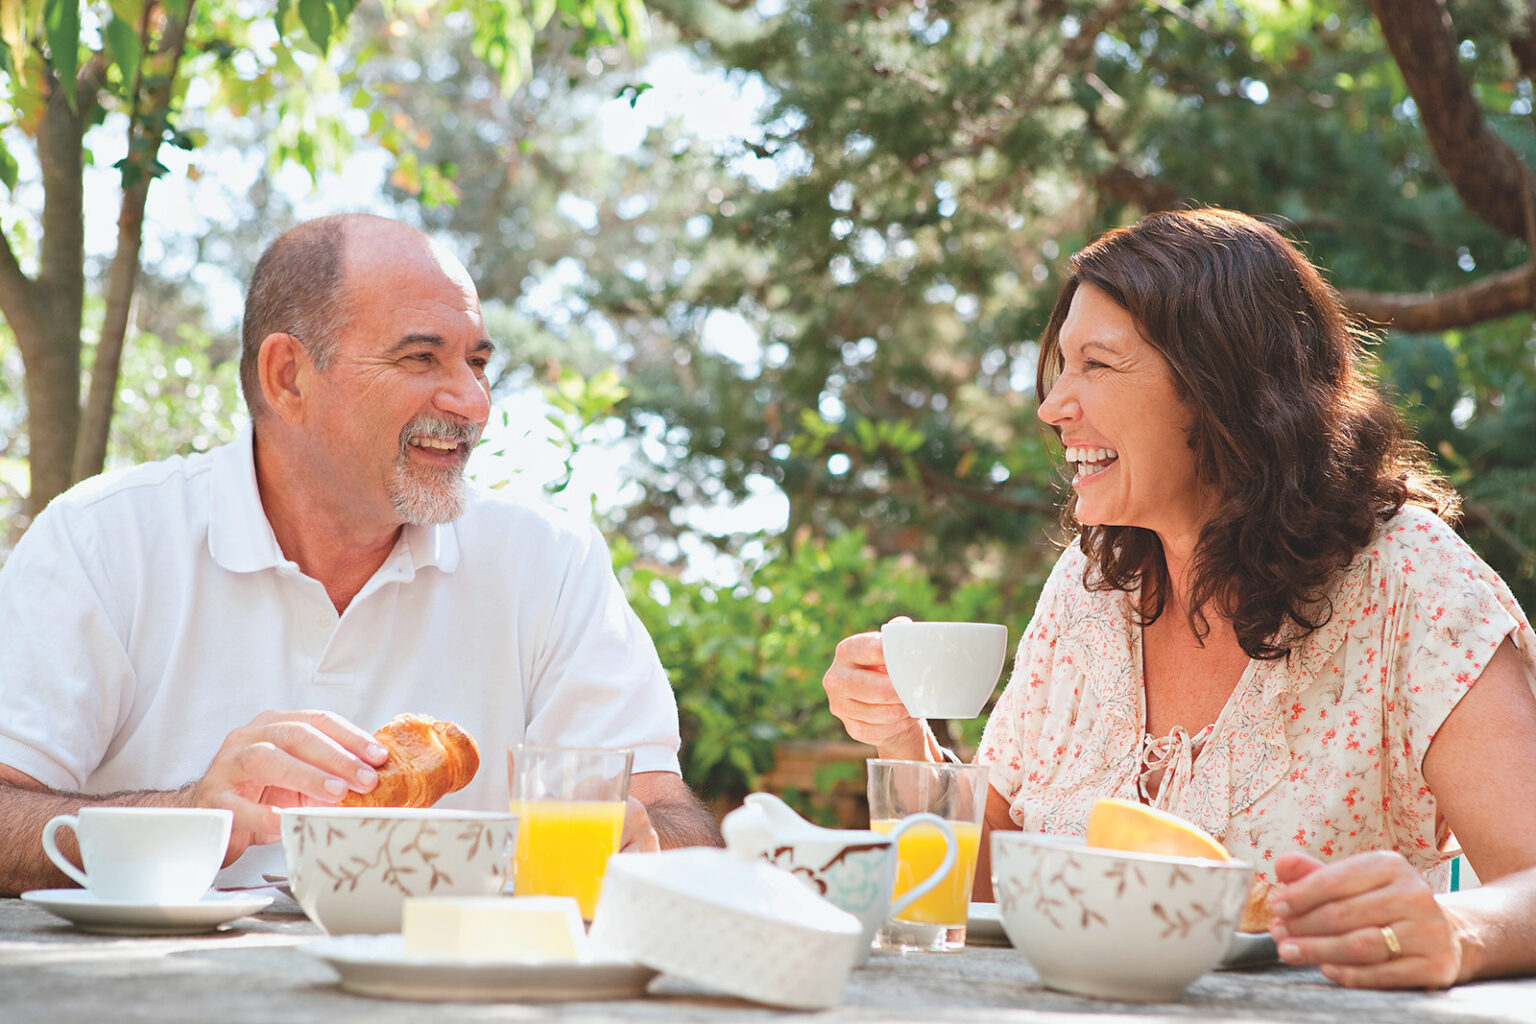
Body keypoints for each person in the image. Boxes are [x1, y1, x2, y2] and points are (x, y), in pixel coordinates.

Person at [823, 208, 1536, 990]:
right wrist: (905, 740)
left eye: (1097, 364)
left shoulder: (1411, 584)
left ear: (1221, 387)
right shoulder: (1091, 586)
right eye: (1061, 366)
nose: (1053, 405)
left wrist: (1458, 929)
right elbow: (991, 883)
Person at [0, 213, 720, 895]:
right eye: (421, 357)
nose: (473, 401)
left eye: (476, 362)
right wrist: (189, 817)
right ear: (289, 378)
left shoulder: (549, 563)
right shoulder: (103, 540)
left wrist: (648, 843)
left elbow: (675, 817)